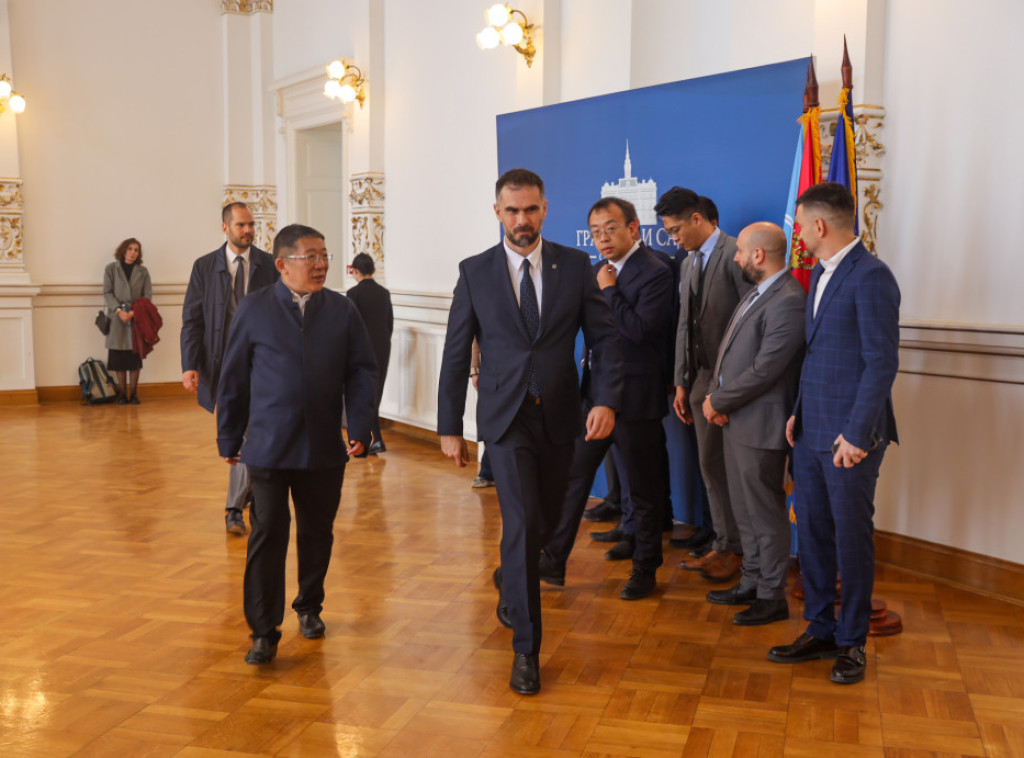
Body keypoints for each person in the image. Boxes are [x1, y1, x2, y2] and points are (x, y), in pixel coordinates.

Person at [437, 168, 622, 695]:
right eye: (513, 210)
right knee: (520, 523)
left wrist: (605, 399)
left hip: (560, 414)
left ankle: (510, 580)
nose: (523, 219)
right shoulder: (475, 271)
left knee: (544, 522)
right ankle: (527, 650)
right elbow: (456, 352)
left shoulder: (575, 265)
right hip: (505, 417)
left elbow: (606, 340)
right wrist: (450, 426)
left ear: (545, 210)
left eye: (531, 209)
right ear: (498, 212)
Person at [216, 224, 379, 665]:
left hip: (323, 448)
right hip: (268, 446)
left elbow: (362, 371)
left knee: (316, 532)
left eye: (324, 255)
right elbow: (234, 377)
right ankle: (263, 631)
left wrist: (360, 426)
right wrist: (229, 435)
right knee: (268, 532)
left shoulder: (342, 310)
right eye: (311, 256)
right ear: (283, 265)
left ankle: (309, 606)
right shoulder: (254, 309)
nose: (321, 264)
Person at [767, 183, 900, 684]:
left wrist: (857, 435)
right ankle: (821, 629)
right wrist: (798, 413)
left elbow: (880, 363)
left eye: (801, 225)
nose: (798, 234)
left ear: (819, 226)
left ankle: (852, 641)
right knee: (814, 533)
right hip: (811, 430)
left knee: (850, 538)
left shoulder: (872, 276)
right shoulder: (821, 273)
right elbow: (819, 355)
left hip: (851, 438)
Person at [539, 197, 673, 600]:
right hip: (595, 395)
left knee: (643, 489)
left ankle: (645, 568)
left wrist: (610, 290)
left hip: (637, 399)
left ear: (633, 228)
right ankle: (552, 560)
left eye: (610, 229)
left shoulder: (656, 271)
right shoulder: (596, 271)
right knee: (572, 477)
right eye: (596, 232)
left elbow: (640, 331)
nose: (602, 238)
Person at [700, 222, 806, 625]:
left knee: (765, 513)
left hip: (760, 426)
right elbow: (731, 355)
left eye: (741, 251)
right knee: (745, 510)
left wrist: (717, 400)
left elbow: (766, 369)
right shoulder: (758, 292)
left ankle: (771, 595)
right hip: (737, 419)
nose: (736, 258)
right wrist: (718, 398)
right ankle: (751, 580)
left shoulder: (789, 300)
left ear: (758, 255)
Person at [658, 187, 753, 582]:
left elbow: (752, 323)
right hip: (698, 383)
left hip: (732, 386)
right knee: (710, 465)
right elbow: (684, 325)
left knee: (733, 470)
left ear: (697, 219)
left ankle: (739, 550)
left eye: (676, 230)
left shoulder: (736, 254)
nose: (673, 239)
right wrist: (681, 382)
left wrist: (731, 389)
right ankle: (723, 543)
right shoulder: (687, 263)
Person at [181, 203, 279, 536]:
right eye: (241, 225)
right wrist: (189, 365)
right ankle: (245, 498)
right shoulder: (204, 267)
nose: (248, 230)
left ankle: (235, 507)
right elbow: (192, 321)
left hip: (263, 366)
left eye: (251, 224)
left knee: (252, 433)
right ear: (225, 228)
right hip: (222, 367)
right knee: (241, 432)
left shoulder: (269, 264)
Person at [346, 252, 394, 455]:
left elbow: (349, 326)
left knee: (364, 394)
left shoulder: (353, 294)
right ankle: (375, 439)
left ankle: (374, 439)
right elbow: (389, 324)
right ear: (373, 270)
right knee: (375, 393)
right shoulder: (384, 293)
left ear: (355, 271)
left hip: (361, 350)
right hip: (383, 348)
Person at [102, 238, 152, 404]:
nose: (133, 252)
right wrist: (119, 311)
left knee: (134, 358)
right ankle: (123, 394)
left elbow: (147, 295)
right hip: (117, 318)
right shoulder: (111, 269)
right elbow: (107, 292)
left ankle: (134, 394)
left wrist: (134, 311)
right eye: (130, 249)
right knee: (119, 358)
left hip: (136, 318)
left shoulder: (143, 271)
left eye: (136, 250)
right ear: (123, 250)